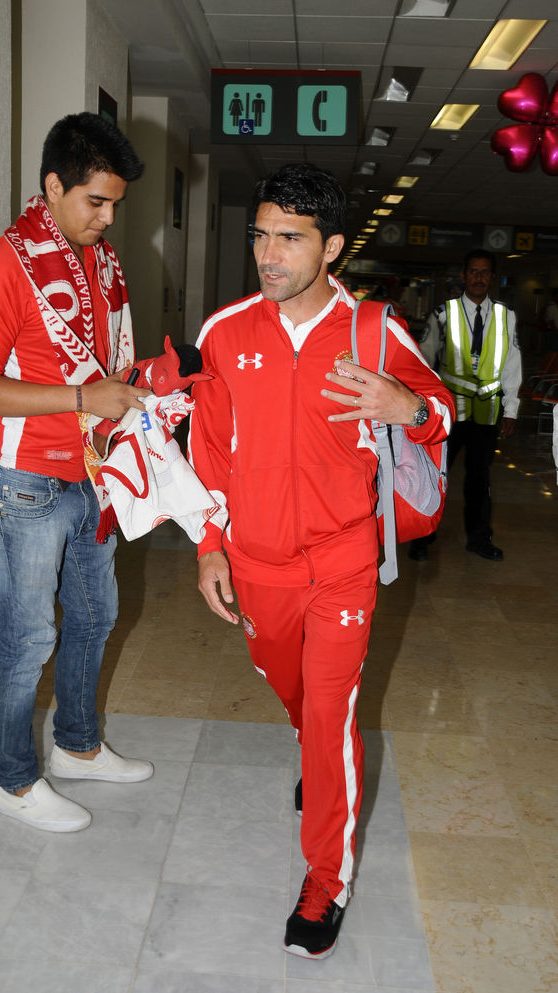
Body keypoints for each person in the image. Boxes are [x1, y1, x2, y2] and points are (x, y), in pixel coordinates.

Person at [188, 163, 454, 960]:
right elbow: (210, 453)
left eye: (290, 238)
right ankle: (316, 753)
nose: (268, 255)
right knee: (293, 690)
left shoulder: (373, 331)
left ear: (332, 247)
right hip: (257, 562)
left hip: (343, 560)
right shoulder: (226, 333)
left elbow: (442, 410)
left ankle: (325, 880)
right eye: (261, 235)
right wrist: (209, 545)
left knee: (333, 715)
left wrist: (409, 406)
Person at [0, 112, 154, 833]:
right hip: (21, 481)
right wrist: (81, 398)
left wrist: (138, 390)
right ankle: (12, 782)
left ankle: (77, 746)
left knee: (96, 615)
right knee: (28, 635)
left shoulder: (100, 264)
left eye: (115, 205)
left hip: (90, 472)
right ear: (52, 186)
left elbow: (104, 366)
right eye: (95, 201)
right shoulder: (6, 265)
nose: (107, 218)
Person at [411, 248, 522, 562]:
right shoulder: (442, 314)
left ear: (492, 278)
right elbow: (424, 360)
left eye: (485, 272)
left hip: (487, 411)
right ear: (463, 276)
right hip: (448, 411)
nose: (479, 278)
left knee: (480, 478)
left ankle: (479, 539)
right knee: (434, 474)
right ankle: (422, 537)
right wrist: (421, 406)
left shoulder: (506, 315)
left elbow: (512, 364)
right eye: (473, 271)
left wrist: (511, 409)